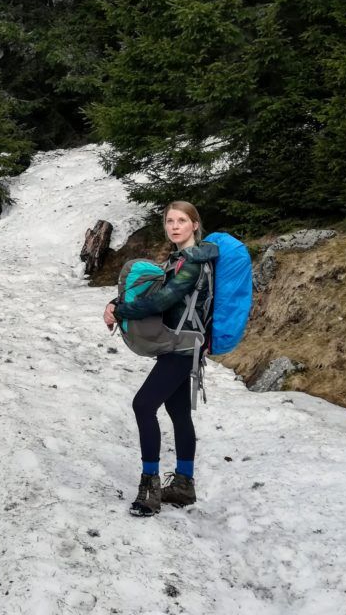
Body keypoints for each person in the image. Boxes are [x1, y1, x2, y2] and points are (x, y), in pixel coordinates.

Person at [103, 201, 218, 516]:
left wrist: (119, 310)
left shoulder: (194, 263)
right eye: (170, 221)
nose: (175, 226)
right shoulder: (179, 259)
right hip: (181, 344)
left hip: (183, 348)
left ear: (195, 224)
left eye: (182, 220)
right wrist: (115, 302)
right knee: (178, 410)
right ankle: (183, 484)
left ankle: (150, 488)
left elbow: (163, 300)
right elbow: (154, 290)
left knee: (143, 405)